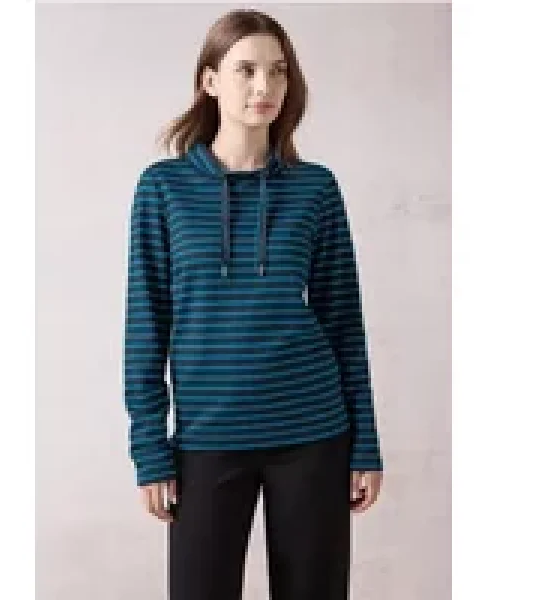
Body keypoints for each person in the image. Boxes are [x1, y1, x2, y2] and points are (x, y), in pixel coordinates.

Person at [123, 8, 384, 600]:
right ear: (210, 80)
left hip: (314, 434)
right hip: (205, 440)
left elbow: (344, 322)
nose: (264, 86)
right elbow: (145, 326)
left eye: (278, 71)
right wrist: (149, 450)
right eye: (246, 70)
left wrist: (365, 442)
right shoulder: (163, 188)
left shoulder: (315, 188)